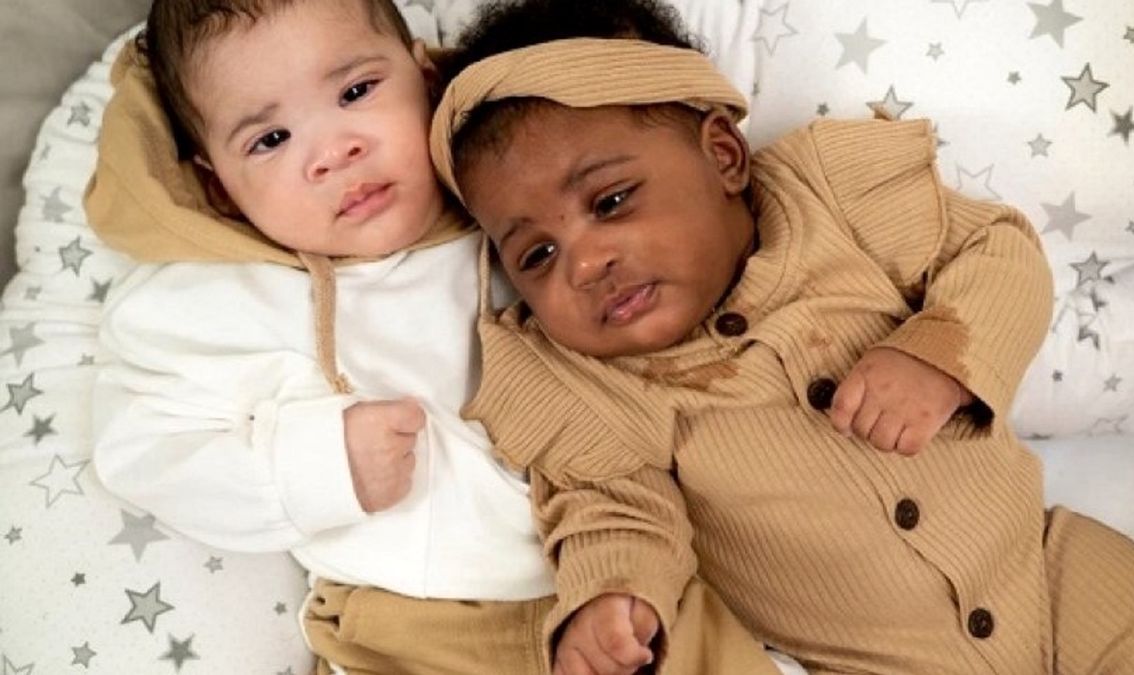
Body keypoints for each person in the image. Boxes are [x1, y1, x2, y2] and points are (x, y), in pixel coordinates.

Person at [429, 0, 1134, 673]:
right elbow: (614, 508)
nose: (585, 263)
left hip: (1048, 572)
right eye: (537, 254)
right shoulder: (590, 383)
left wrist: (939, 352)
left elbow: (996, 251)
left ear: (723, 156)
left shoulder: (829, 198)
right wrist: (616, 598)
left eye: (611, 201)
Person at [85, 1, 789, 673]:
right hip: (413, 620)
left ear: (425, 81)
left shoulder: (522, 202)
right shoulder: (214, 302)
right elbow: (144, 449)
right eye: (271, 140)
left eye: (356, 91)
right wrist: (318, 467)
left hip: (631, 578)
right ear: (219, 186)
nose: (335, 151)